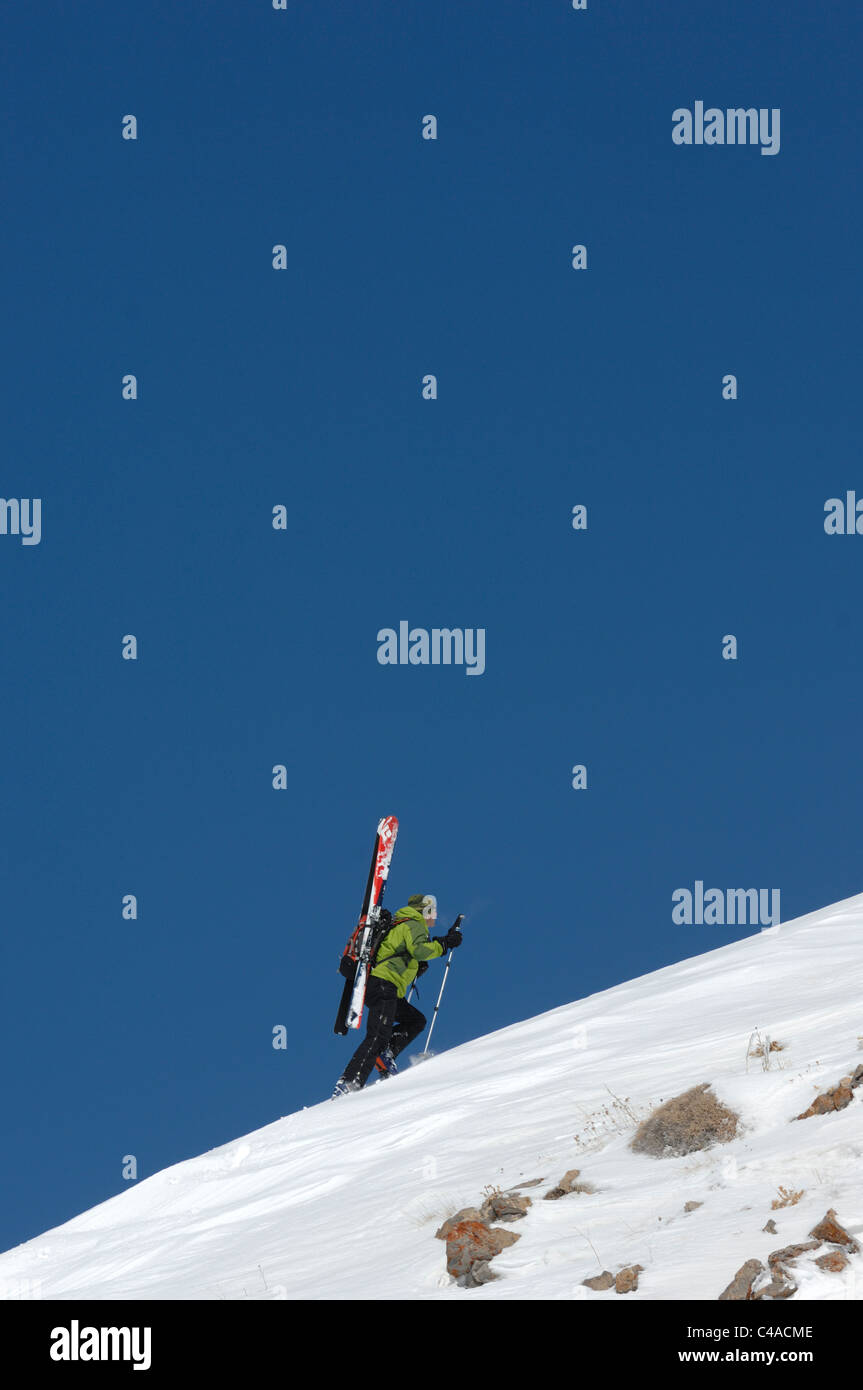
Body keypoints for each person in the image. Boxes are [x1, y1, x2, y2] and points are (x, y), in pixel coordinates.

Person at [332, 894, 463, 1097]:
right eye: (432, 910)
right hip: (385, 984)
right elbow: (419, 950)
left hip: (381, 986)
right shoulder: (414, 924)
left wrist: (414, 965)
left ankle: (386, 1054)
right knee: (377, 1034)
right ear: (424, 911)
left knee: (416, 1020)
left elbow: (404, 952)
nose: (435, 915)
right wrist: (444, 944)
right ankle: (349, 1082)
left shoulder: (401, 923)